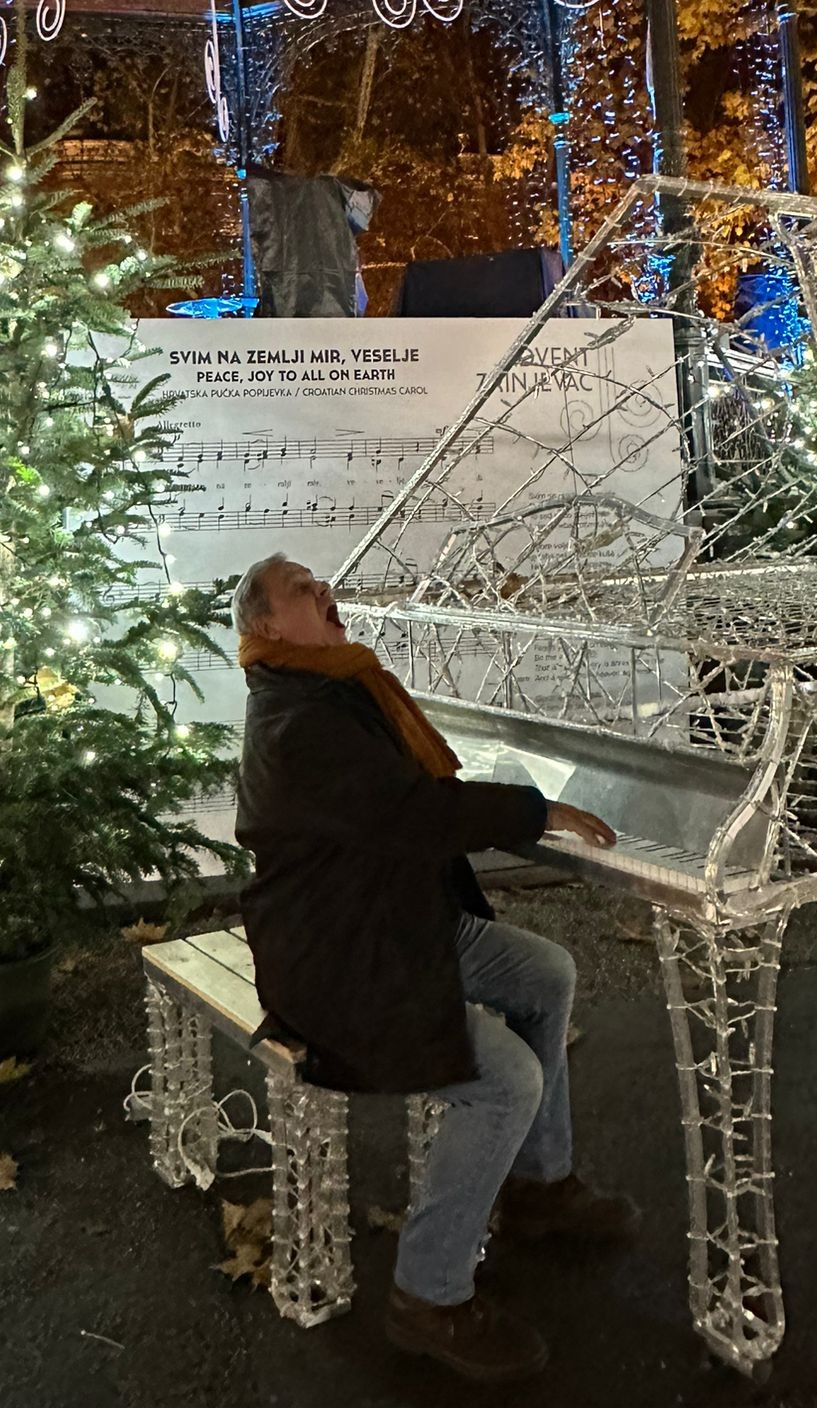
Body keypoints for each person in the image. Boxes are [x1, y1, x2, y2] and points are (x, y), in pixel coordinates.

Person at [232, 553, 640, 1385]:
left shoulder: (332, 685)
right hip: (339, 961)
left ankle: (538, 1186)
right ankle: (428, 1293)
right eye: (303, 590)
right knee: (506, 1080)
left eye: (320, 581)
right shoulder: (297, 719)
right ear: (267, 627)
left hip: (394, 925)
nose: (325, 593)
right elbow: (415, 811)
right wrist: (536, 808)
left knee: (547, 973)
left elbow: (411, 799)